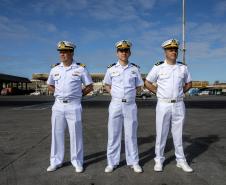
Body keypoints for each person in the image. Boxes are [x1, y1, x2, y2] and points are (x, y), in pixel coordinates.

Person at [144, 39, 193, 172]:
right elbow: (147, 82)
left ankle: (181, 160)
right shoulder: (158, 67)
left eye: (175, 49)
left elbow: (189, 84)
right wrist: (157, 92)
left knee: (178, 134)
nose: (174, 51)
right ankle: (159, 160)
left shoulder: (183, 67)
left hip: (178, 103)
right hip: (163, 104)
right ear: (165, 51)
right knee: (161, 133)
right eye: (170, 49)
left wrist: (181, 92)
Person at [46, 41, 93, 173]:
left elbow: (89, 86)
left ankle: (77, 162)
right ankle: (55, 161)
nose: (62, 54)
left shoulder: (80, 68)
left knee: (76, 135)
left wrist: (79, 95)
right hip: (58, 106)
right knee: (57, 134)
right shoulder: (54, 69)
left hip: (74, 105)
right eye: (60, 52)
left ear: (71, 52)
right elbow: (49, 84)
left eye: (65, 51)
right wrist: (57, 93)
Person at [103, 40, 143, 173]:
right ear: (117, 53)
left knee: (131, 134)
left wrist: (131, 95)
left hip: (130, 105)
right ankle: (112, 162)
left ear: (130, 52)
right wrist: (113, 93)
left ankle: (134, 162)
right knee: (113, 134)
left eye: (126, 50)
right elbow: (107, 85)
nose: (124, 53)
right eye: (121, 50)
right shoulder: (111, 69)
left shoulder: (135, 69)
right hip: (115, 104)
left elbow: (139, 87)